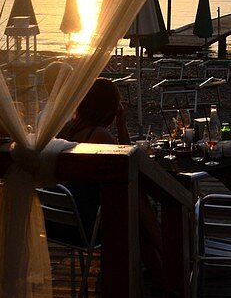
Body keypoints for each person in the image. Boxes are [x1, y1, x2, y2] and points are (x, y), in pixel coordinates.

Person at [59, 79, 162, 281]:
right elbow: (129, 160)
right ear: (109, 108)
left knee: (136, 209)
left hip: (66, 221)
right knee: (138, 203)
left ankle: (162, 273)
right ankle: (167, 258)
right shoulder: (98, 135)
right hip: (90, 224)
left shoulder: (69, 130)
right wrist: (121, 124)